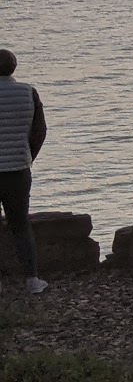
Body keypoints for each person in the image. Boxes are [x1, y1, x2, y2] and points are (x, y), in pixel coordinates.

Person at [0, 50, 48, 295]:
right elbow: (39, 130)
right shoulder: (28, 92)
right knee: (20, 224)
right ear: (14, 68)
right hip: (18, 169)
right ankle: (31, 279)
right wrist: (29, 156)